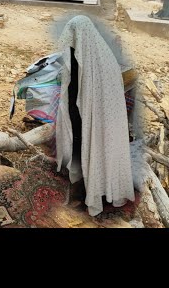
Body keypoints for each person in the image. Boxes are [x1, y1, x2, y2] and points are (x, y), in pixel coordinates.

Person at [55, 15, 134, 216]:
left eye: (74, 35)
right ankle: (86, 186)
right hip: (84, 114)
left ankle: (93, 192)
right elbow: (72, 87)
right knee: (85, 149)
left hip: (99, 120)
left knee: (95, 149)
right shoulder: (84, 53)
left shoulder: (98, 59)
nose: (70, 39)